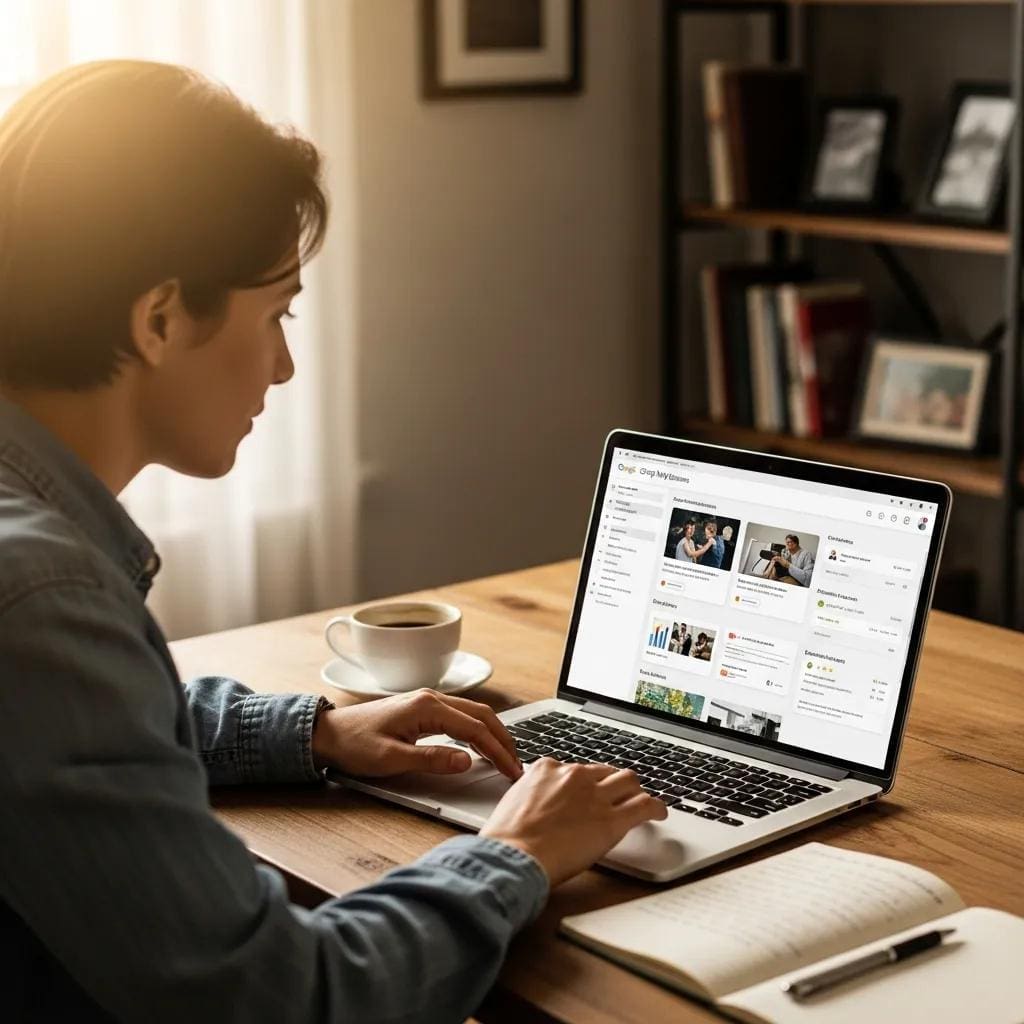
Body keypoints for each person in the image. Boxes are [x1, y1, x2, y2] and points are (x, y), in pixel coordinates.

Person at [0, 61, 667, 1024]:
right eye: (276, 312)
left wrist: (312, 730)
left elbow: (65, 731)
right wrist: (517, 852)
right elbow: (286, 1000)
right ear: (158, 318)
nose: (283, 364)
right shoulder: (41, 594)